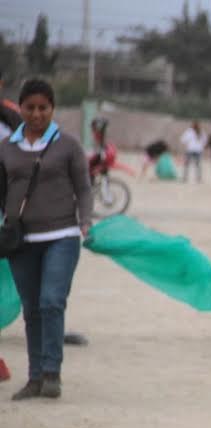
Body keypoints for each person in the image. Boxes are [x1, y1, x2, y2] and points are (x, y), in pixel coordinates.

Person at [0, 79, 92, 400]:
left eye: (43, 108)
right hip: (21, 240)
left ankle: (52, 374)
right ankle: (35, 377)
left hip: (62, 236)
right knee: (31, 309)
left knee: (51, 301)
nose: (37, 114)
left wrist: (86, 221)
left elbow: (83, 187)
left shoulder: (67, 145)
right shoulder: (6, 148)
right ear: (20, 108)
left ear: (52, 109)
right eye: (30, 108)